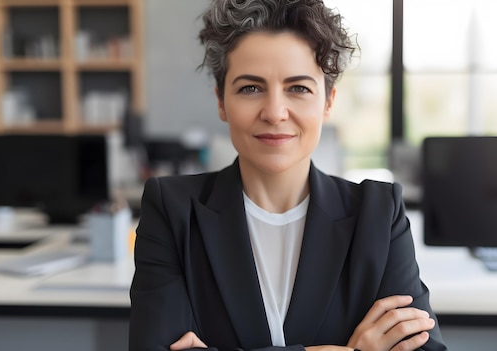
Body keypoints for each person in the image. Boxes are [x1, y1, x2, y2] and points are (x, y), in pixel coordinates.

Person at [129, 1, 447, 350]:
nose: (275, 112)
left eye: (298, 88)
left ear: (328, 102)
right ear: (221, 101)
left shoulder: (379, 214)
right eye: (250, 88)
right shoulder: (173, 211)